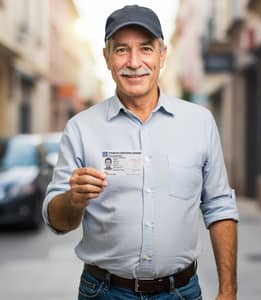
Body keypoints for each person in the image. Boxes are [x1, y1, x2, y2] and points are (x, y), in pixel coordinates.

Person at [43, 5, 239, 300]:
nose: (134, 62)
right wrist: (73, 199)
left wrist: (228, 289)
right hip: (104, 292)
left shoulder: (199, 122)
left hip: (181, 293)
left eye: (145, 48)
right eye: (121, 50)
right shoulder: (81, 129)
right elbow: (58, 222)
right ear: (107, 57)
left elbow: (219, 207)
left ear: (162, 54)